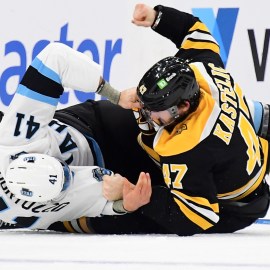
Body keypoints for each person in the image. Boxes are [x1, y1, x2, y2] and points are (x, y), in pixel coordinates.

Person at [84, 3, 270, 236]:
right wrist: (155, 17)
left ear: (183, 106)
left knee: (134, 216)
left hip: (233, 207)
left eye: (156, 110)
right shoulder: (204, 68)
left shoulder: (191, 146)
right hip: (244, 154)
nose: (147, 112)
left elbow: (197, 217)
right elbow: (194, 29)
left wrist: (135, 195)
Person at [0, 42, 159, 231]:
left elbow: (55, 58)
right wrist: (124, 205)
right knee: (158, 209)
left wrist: (115, 95)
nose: (73, 175)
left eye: (66, 173)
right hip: (93, 194)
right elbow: (100, 204)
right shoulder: (35, 209)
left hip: (93, 128)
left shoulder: (15, 136)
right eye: (66, 183)